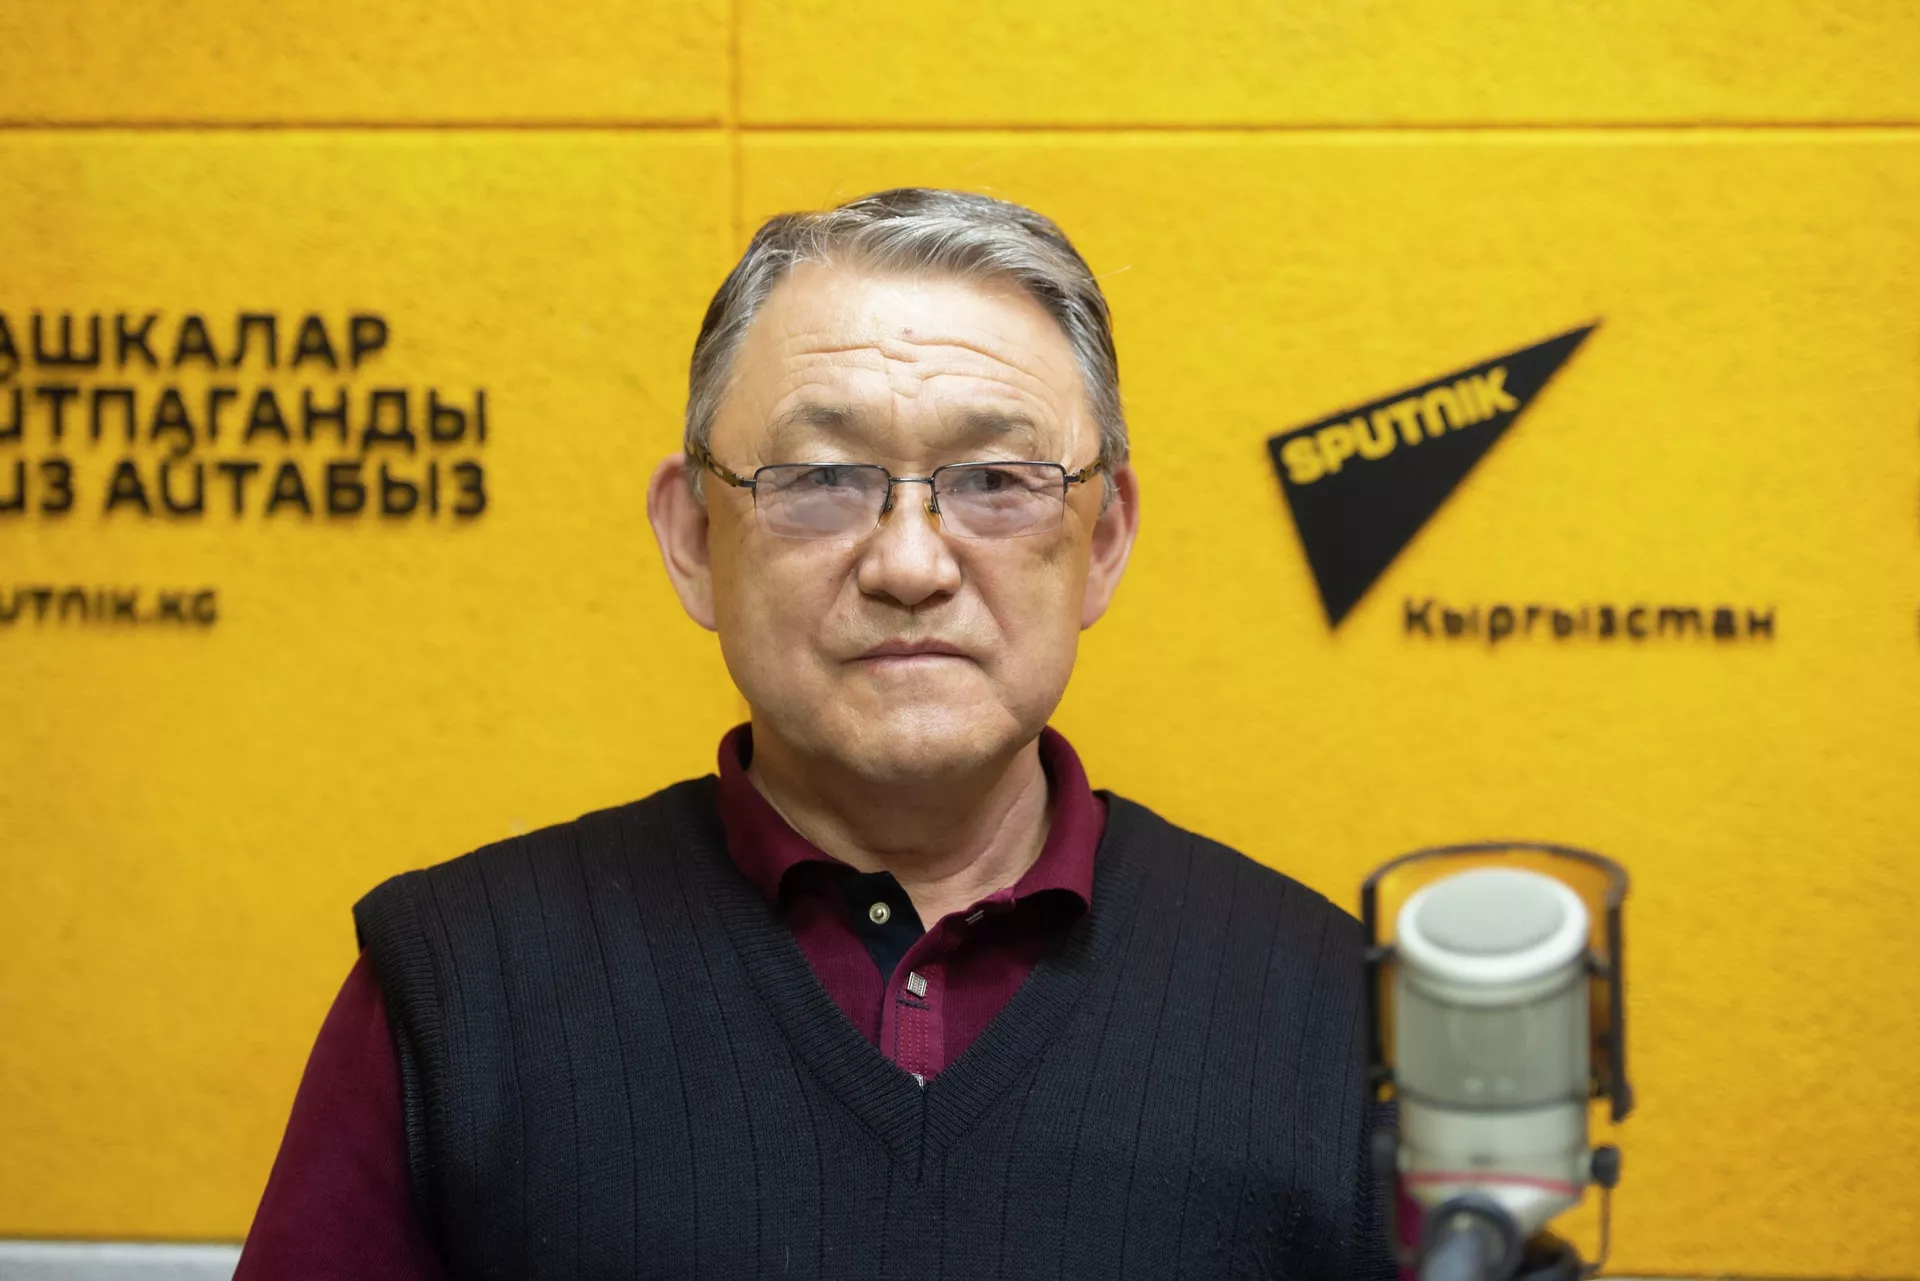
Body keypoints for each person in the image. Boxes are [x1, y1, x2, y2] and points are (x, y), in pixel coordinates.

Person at [236, 187, 1396, 1279]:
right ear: (694, 536)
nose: (910, 564)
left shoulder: (1331, 1010)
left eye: (996, 480)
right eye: (824, 476)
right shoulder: (456, 986)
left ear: (1101, 541)